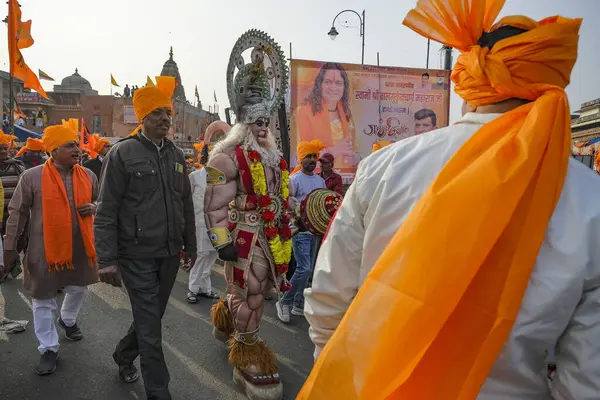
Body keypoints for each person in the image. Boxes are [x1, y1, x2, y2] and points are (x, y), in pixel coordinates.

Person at [299, 2, 594, 399]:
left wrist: (340, 379)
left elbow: (327, 304)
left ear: (470, 82)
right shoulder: (588, 199)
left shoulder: (384, 168)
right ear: (549, 86)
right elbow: (586, 378)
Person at [94, 76, 195, 400]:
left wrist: (190, 244)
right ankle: (158, 392)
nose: (166, 119)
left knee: (150, 320)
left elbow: (185, 205)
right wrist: (107, 260)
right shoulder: (122, 155)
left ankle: (124, 354)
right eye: (157, 114)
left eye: (167, 113)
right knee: (151, 331)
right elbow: (106, 210)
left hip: (168, 254)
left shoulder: (177, 157)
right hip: (135, 256)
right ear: (142, 117)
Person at [204, 41, 292, 400]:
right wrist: (220, 240)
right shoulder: (224, 158)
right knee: (253, 295)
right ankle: (248, 353)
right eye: (256, 121)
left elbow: (279, 197)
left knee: (263, 291)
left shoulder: (272, 158)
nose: (262, 127)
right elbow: (214, 205)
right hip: (244, 238)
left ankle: (227, 315)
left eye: (266, 122)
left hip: (271, 236)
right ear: (242, 122)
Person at [3, 124, 98, 376]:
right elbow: (17, 213)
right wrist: (10, 246)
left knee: (79, 288)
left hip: (80, 245)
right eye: (69, 145)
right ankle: (48, 348)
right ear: (53, 151)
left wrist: (95, 207)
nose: (77, 150)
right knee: (42, 299)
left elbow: (101, 202)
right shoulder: (31, 177)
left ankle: (67, 319)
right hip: (43, 247)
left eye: (77, 145)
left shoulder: (89, 176)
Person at [277, 140, 325, 323]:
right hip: (298, 230)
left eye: (315, 156)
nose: (312, 160)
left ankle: (298, 303)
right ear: (300, 158)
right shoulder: (293, 179)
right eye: (309, 156)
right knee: (303, 268)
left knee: (308, 269)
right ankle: (285, 301)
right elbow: (287, 203)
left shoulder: (320, 180)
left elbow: (321, 205)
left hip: (315, 232)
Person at [294, 62, 360, 169]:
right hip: (315, 179)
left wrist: (354, 158)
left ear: (344, 87)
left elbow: (356, 151)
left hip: (345, 179)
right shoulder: (303, 112)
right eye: (328, 82)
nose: (333, 87)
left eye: (338, 83)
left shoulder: (346, 114)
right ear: (320, 85)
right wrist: (335, 151)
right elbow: (303, 158)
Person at [186, 140, 219, 303]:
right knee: (200, 255)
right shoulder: (194, 177)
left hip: (216, 223)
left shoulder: (220, 179)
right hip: (199, 223)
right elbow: (186, 200)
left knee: (212, 254)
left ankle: (205, 288)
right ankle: (192, 289)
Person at [0, 131, 26, 280]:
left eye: (5, 148)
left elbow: (27, 188)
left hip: (15, 213)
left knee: (15, 241)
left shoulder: (17, 166)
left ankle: (11, 264)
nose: (3, 151)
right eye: (0, 149)